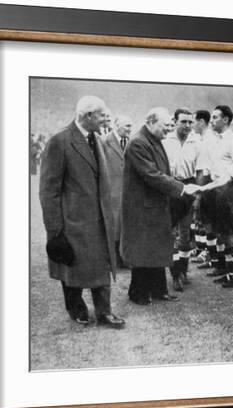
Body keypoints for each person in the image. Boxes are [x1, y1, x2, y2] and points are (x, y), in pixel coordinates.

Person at [39, 95, 125, 329]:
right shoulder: (60, 141)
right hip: (73, 222)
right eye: (101, 116)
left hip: (99, 221)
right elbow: (49, 190)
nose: (105, 119)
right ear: (88, 116)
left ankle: (104, 312)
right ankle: (76, 309)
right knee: (72, 267)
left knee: (101, 266)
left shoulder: (95, 138)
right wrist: (56, 231)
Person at [121, 107, 200, 305]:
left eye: (171, 126)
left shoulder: (153, 139)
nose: (169, 130)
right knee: (144, 250)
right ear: (152, 122)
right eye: (166, 126)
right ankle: (138, 292)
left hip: (155, 203)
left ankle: (158, 290)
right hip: (143, 206)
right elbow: (151, 174)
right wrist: (181, 188)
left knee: (157, 247)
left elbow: (161, 171)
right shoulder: (138, 143)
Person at [197, 105, 233, 288]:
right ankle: (228, 270)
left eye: (215, 117)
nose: (212, 121)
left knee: (230, 234)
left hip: (228, 190)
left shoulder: (232, 140)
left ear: (226, 120)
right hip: (215, 189)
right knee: (221, 233)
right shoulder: (215, 140)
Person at [162, 108, 203, 292]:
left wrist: (197, 195)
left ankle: (183, 269)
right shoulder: (165, 140)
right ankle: (175, 274)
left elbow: (201, 170)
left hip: (189, 187)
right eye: (183, 122)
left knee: (185, 234)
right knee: (171, 234)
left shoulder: (197, 141)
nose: (187, 125)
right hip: (170, 187)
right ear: (175, 121)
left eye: (190, 122)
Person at [102, 114, 133, 268]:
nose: (130, 129)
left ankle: (122, 257)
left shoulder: (131, 142)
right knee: (112, 226)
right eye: (127, 126)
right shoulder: (104, 141)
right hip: (111, 190)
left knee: (124, 226)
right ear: (117, 125)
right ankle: (112, 259)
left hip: (126, 191)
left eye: (131, 126)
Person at [190, 109, 213, 263]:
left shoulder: (209, 140)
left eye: (193, 121)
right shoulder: (201, 138)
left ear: (201, 122)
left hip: (207, 182)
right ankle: (203, 249)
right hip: (203, 181)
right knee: (200, 218)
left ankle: (209, 252)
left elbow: (204, 169)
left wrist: (199, 191)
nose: (192, 125)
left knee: (207, 218)